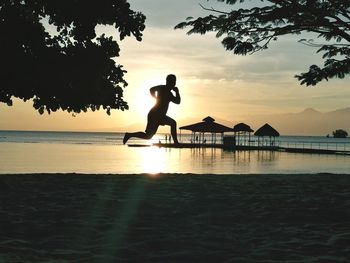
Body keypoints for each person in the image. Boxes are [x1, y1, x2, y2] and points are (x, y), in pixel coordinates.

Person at [123, 74, 181, 145]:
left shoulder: (170, 94)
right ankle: (176, 142)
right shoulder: (162, 88)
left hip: (160, 116)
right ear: (168, 82)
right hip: (154, 114)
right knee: (172, 123)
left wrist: (177, 92)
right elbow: (151, 89)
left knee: (148, 136)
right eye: (172, 82)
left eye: (174, 82)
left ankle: (129, 135)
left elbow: (178, 102)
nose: (174, 83)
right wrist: (155, 97)